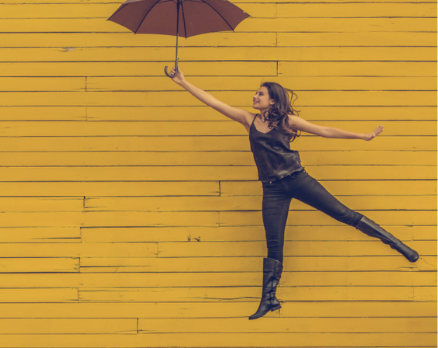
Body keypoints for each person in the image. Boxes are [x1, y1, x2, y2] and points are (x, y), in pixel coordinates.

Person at [167, 66, 419, 320]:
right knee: (274, 244)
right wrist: (183, 82)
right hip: (272, 189)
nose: (255, 97)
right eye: (256, 93)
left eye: (260, 94)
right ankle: (269, 299)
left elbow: (324, 130)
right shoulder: (248, 119)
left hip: (298, 179)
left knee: (343, 214)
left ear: (272, 100)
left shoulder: (287, 121)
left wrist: (363, 136)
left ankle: (398, 245)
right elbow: (213, 102)